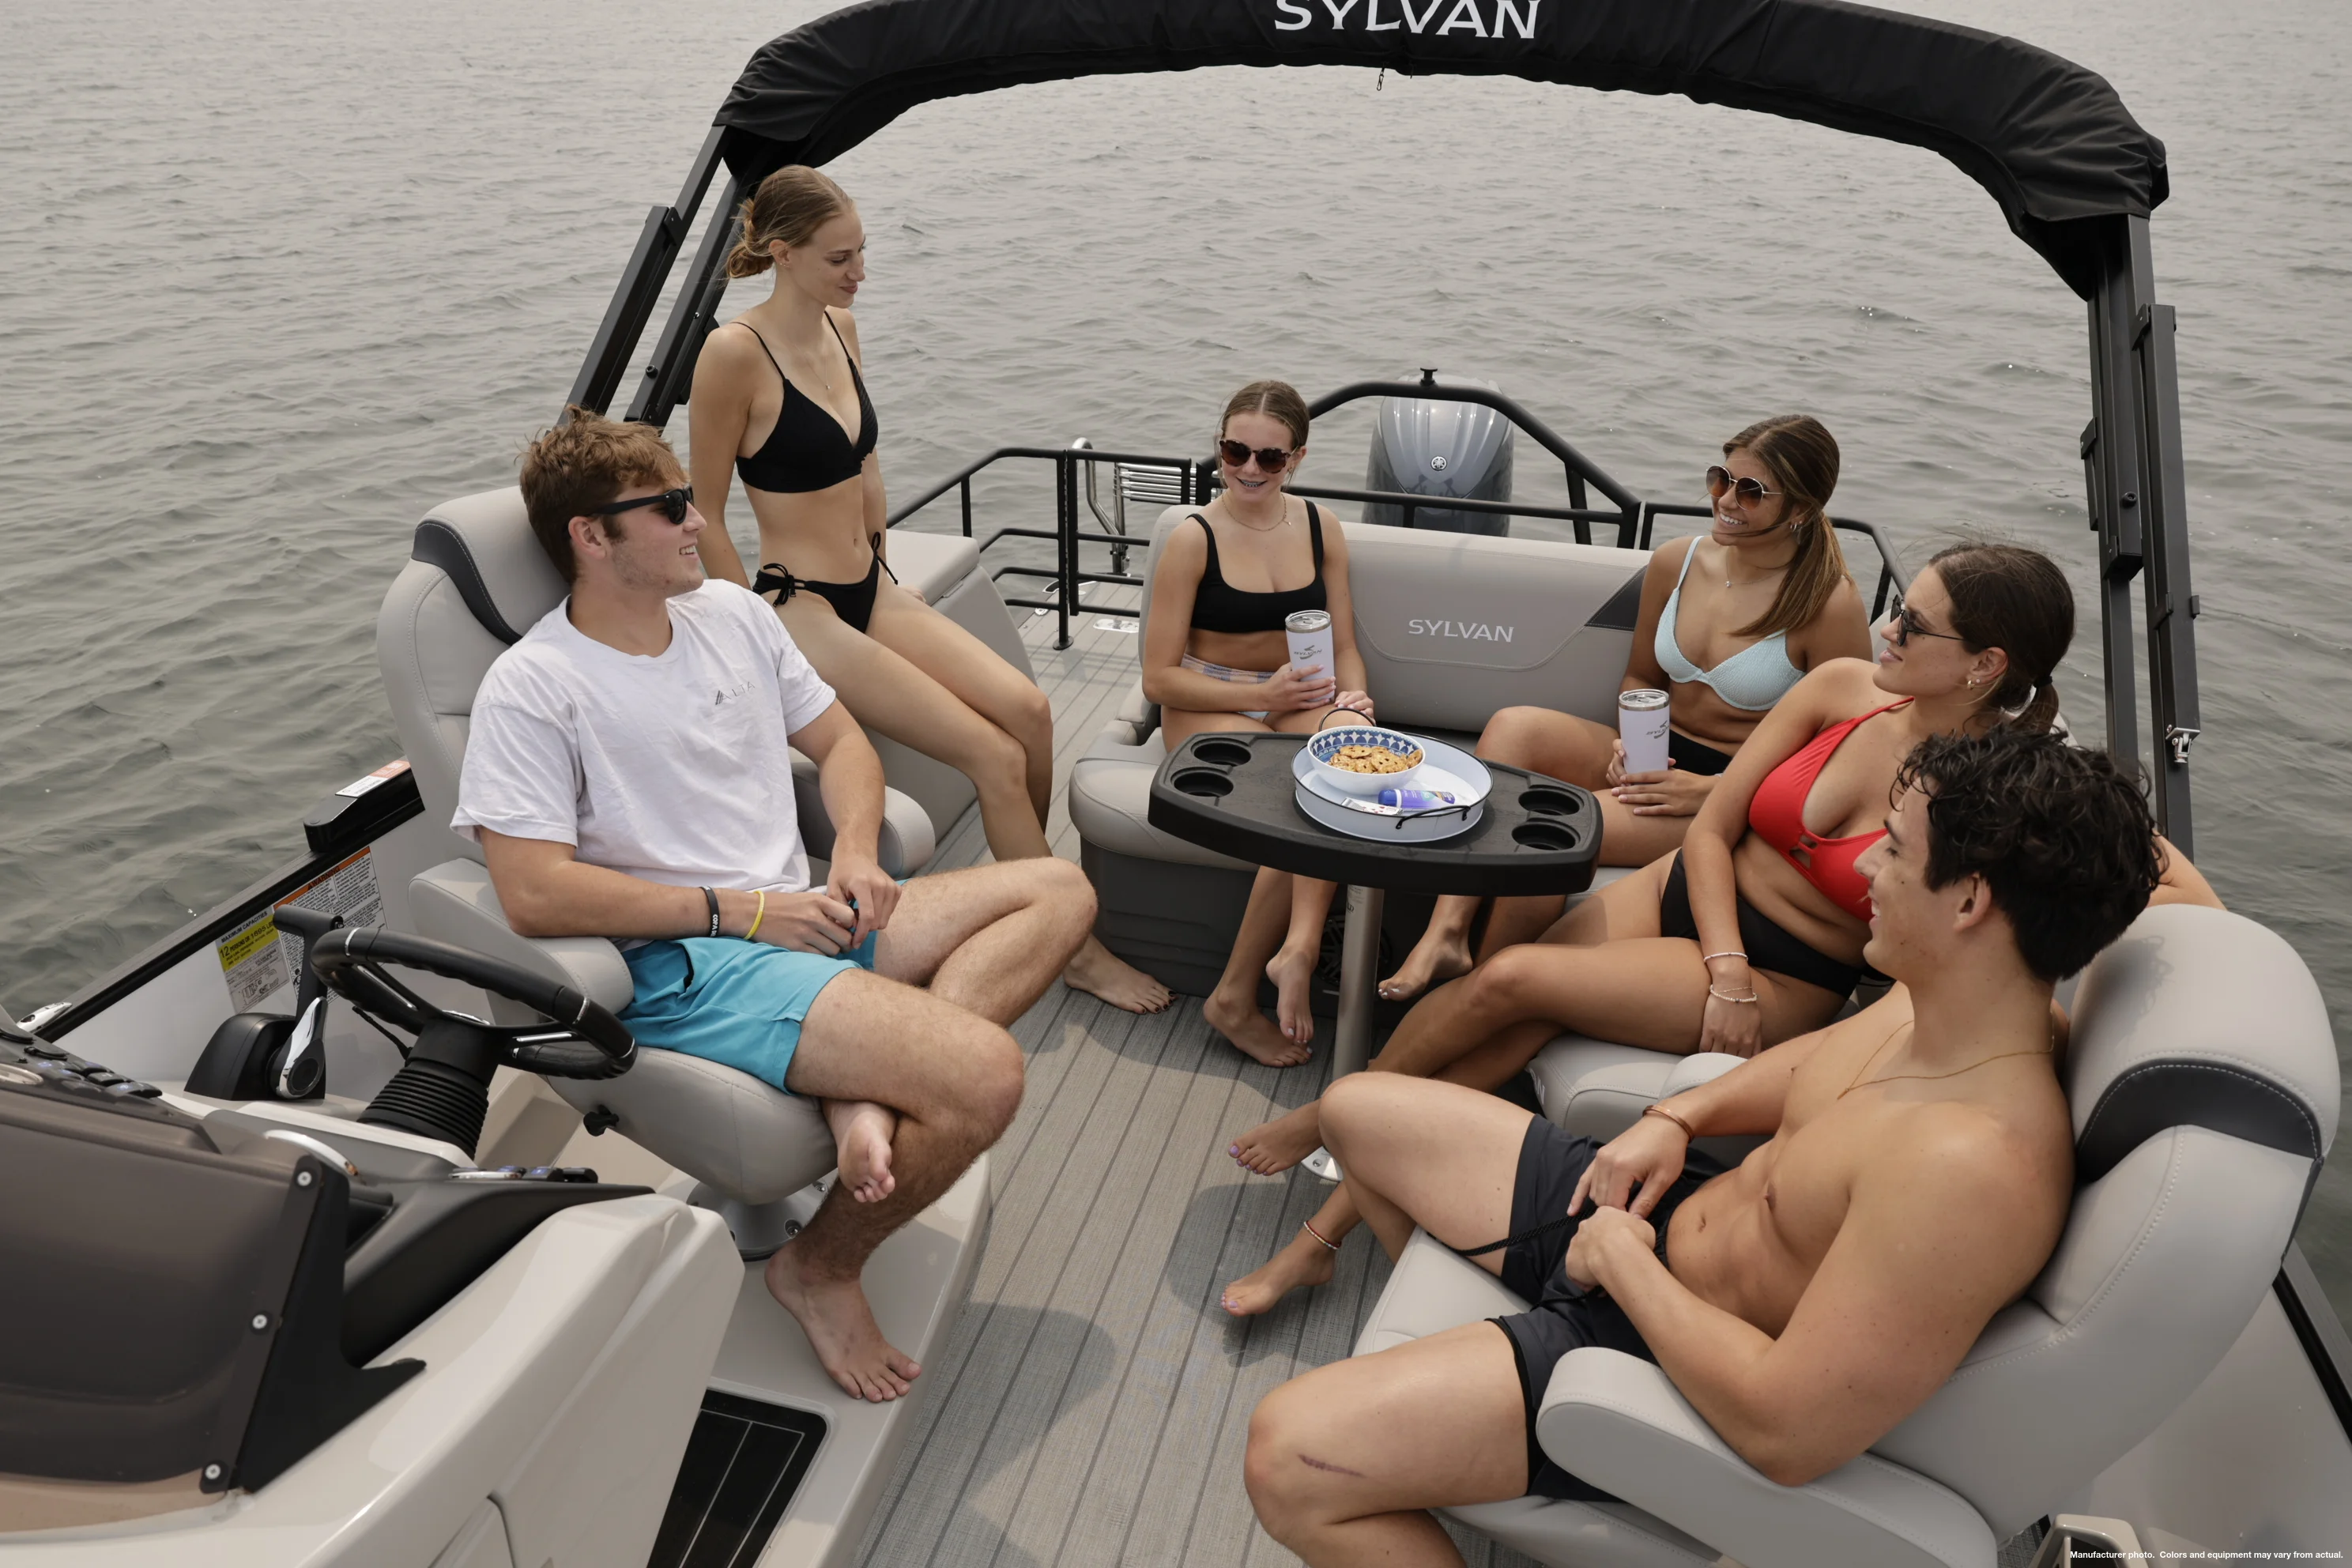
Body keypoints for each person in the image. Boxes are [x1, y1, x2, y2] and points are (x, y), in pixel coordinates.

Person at [1219, 541, 2218, 1314]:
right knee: (1513, 1006)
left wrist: (1738, 978)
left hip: (1785, 976)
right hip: (1698, 906)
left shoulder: (1999, 786)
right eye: (1895, 607)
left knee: (1510, 982)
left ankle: (1330, 1149)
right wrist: (1720, 953)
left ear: (1985, 664)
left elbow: (2171, 880)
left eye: (1913, 622)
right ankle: (1333, 1208)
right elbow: (1713, 824)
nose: (1885, 628)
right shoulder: (1842, 691)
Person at [1242, 729, 2162, 1564]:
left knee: (1288, 1457)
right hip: (1651, 1220)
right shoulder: (1965, 1008)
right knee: (1357, 1112)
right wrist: (1675, 1119)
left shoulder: (1971, 1170)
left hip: (1658, 1351)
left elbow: (1787, 1431)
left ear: (1969, 899)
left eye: (1893, 848)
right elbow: (1810, 1063)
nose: (1865, 868)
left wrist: (1620, 1261)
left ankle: (1479, 1403)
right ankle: (1468, 1398)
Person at [455, 411, 1095, 1404]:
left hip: (807, 915)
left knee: (1059, 889)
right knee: (984, 1077)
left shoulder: (733, 615)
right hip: (692, 959)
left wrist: (853, 850)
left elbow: (845, 747)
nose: (696, 520)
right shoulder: (535, 687)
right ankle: (820, 1267)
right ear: (591, 536)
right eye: (669, 506)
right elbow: (532, 891)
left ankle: (870, 1085)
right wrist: (745, 913)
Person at [688, 165, 1168, 1016]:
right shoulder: (734, 354)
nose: (859, 272)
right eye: (840, 257)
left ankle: (1023, 890)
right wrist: (749, 632)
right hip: (802, 604)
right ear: (783, 253)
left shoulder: (842, 328)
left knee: (1031, 712)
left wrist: (883, 564)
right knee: (993, 756)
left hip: (872, 586)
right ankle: (1074, 947)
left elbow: (866, 465)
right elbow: (708, 514)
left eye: (862, 252)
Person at [1378, 415, 1874, 1002]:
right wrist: (1633, 745)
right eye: (1721, 479)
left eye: (1751, 491)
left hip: (1732, 793)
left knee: (1549, 831)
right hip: (1655, 753)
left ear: (1801, 509)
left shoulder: (1828, 605)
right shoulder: (1676, 562)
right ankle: (1447, 932)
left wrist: (1712, 791)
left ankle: (1476, 992)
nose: (1724, 500)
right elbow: (1641, 677)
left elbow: (1843, 757)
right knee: (1513, 728)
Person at [1141, 380, 1374, 1065]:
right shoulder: (1193, 539)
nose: (1248, 469)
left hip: (1294, 693)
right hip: (1205, 699)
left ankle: (1297, 950)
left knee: (1348, 765)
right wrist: (1263, 692)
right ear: (1219, 447)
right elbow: (1158, 678)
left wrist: (1354, 700)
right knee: (1289, 797)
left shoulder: (1320, 527)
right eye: (1235, 451)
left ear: (1296, 458)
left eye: (1269, 457)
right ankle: (1235, 997)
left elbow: (1344, 645)